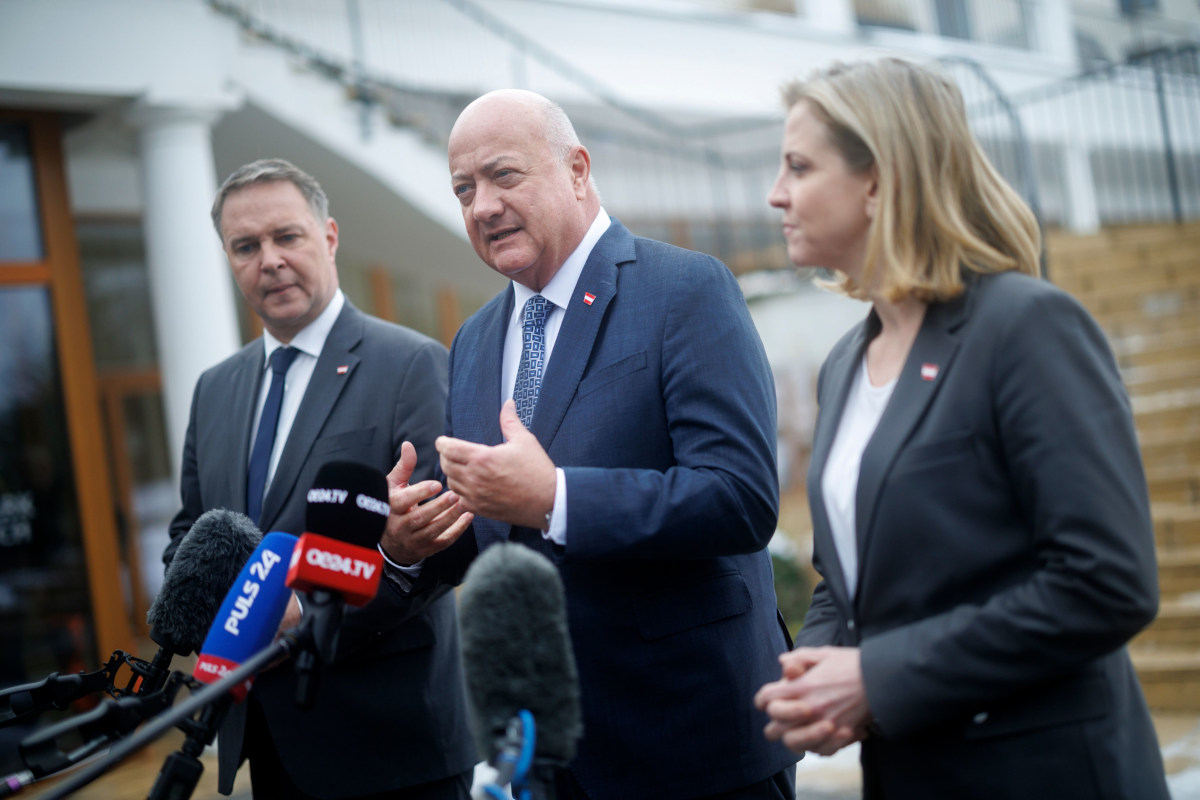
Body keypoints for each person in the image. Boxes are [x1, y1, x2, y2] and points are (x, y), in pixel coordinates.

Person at [752, 58, 1169, 798]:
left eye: (798, 166)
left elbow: (1107, 582)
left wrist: (879, 677)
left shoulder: (1027, 327)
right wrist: (813, 673)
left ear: (878, 180)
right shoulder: (846, 362)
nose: (775, 194)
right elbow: (842, 583)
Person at [381, 89, 798, 800]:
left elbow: (742, 498)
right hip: (547, 759)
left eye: (503, 175)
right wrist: (411, 542)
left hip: (693, 747)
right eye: (463, 189)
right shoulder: (476, 340)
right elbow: (502, 533)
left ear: (577, 169)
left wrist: (557, 497)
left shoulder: (686, 290)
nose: (481, 205)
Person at [164, 159, 475, 799]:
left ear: (329, 237)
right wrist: (217, 612)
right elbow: (190, 535)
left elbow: (446, 540)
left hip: (394, 745)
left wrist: (305, 611)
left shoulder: (412, 364)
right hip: (265, 741)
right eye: (245, 246)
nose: (269, 260)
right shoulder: (214, 389)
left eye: (287, 236)